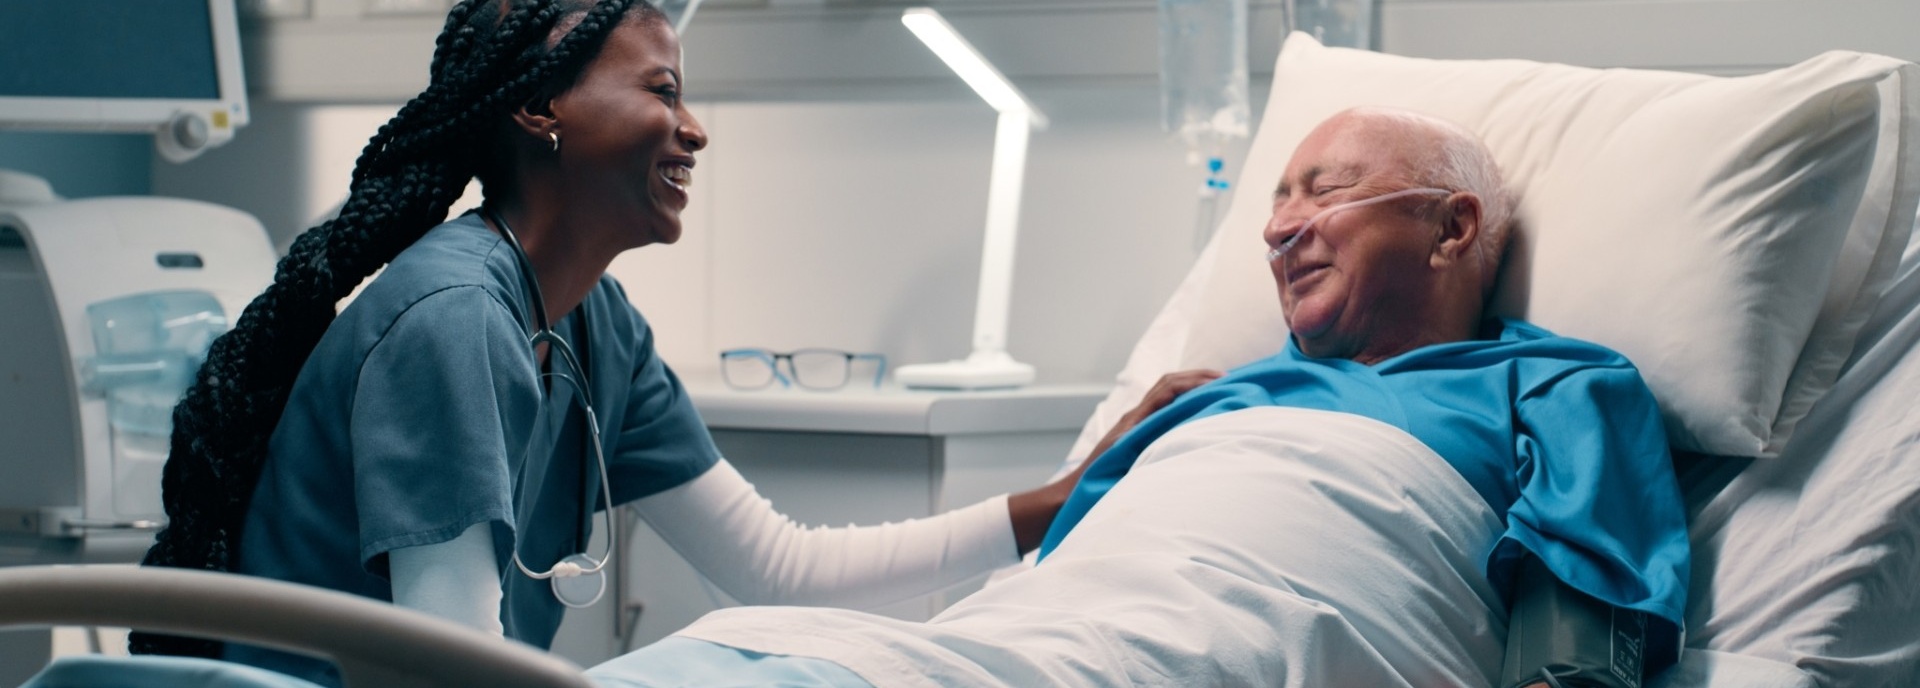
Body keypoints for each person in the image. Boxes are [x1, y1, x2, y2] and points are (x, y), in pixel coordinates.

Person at [130, 1, 1107, 684]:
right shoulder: (453, 318)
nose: (694, 130)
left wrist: (1062, 499)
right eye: (662, 90)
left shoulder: (599, 326)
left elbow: (777, 566)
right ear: (540, 109)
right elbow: (447, 666)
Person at [581, 107, 1690, 688]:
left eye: (1329, 192)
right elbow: (1055, 594)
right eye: (1275, 202)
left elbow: (1579, 640)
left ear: (1453, 226)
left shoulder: (1550, 383)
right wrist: (1110, 461)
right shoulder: (1211, 399)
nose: (1278, 227)